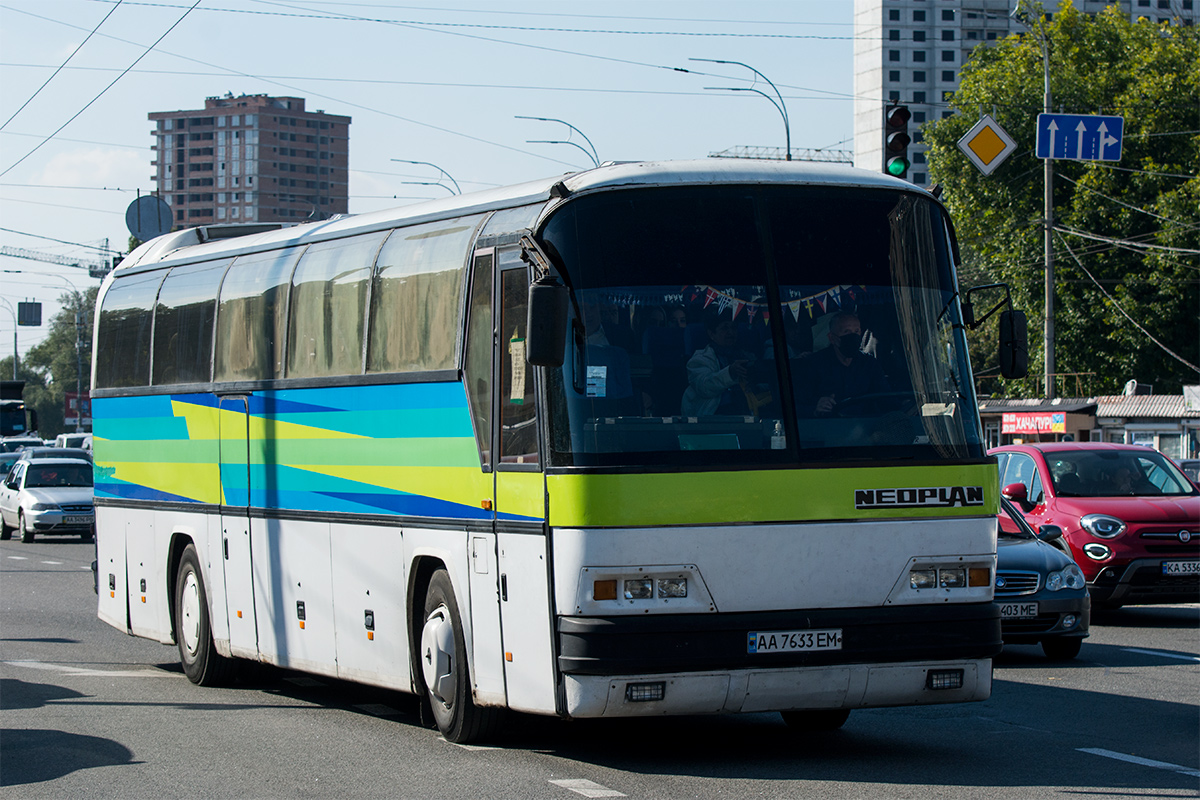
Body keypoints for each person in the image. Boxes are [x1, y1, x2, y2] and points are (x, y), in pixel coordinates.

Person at [796, 311, 889, 417]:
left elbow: (886, 399)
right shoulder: (813, 364)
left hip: (865, 427)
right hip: (828, 428)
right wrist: (816, 408)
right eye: (846, 332)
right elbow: (795, 406)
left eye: (856, 331)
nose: (852, 336)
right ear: (832, 338)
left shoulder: (869, 364)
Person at [680, 314, 754, 417]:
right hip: (710, 418)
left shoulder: (747, 357)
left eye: (733, 328)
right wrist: (730, 373)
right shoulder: (699, 359)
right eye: (724, 328)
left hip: (745, 414)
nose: (730, 332)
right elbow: (704, 387)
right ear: (711, 334)